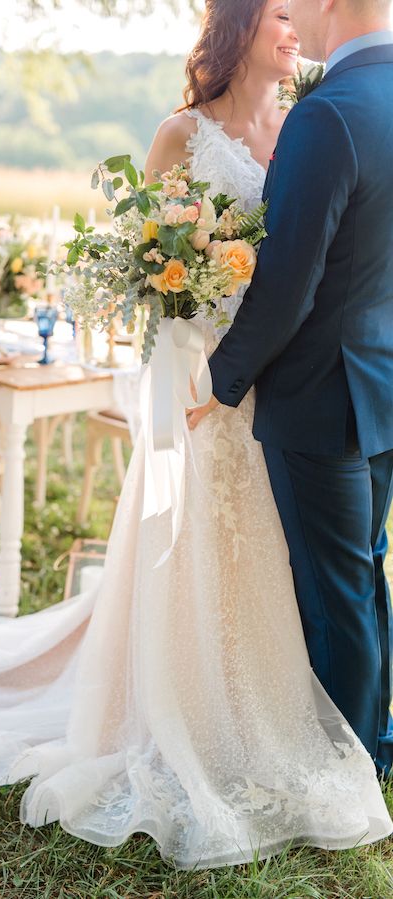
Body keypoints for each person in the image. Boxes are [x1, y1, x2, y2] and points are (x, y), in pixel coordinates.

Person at [0, 0, 392, 870]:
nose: (293, 29)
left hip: (279, 380)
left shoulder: (308, 121)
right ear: (238, 26)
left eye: (297, 14)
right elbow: (159, 273)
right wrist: (196, 355)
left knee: (302, 570)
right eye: (277, 12)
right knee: (245, 557)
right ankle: (204, 709)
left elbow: (307, 263)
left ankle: (293, 719)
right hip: (215, 376)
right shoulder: (182, 135)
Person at [190, 0, 393, 781]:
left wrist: (220, 377)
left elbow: (286, 290)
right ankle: (372, 747)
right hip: (377, 386)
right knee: (365, 572)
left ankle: (344, 774)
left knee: (336, 593)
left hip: (320, 397)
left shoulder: (327, 114)